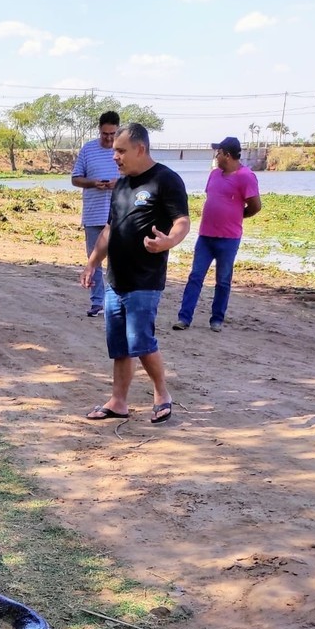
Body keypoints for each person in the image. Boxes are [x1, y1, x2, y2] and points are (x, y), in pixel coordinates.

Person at [79, 123, 190, 424]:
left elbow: (182, 221)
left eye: (120, 150)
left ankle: (162, 394)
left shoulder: (166, 180)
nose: (114, 156)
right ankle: (118, 401)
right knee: (119, 347)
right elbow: (109, 229)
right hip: (116, 279)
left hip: (145, 279)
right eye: (114, 149)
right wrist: (92, 262)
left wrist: (170, 241)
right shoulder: (122, 184)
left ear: (140, 149)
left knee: (141, 342)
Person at [173, 136, 261, 332]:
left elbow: (255, 206)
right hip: (205, 237)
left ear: (227, 155)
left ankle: (217, 319)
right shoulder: (214, 175)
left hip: (229, 239)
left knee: (222, 280)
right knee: (195, 276)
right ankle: (184, 318)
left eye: (218, 153)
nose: (216, 156)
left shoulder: (246, 177)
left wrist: (237, 216)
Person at [71, 111, 120, 316]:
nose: (108, 138)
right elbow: (75, 178)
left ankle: (114, 303)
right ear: (99, 130)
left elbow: (136, 179)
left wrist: (117, 185)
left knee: (117, 262)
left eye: (112, 133)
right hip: (93, 215)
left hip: (118, 217)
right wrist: (93, 183)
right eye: (105, 133)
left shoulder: (123, 150)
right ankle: (97, 302)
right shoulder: (88, 150)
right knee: (94, 260)